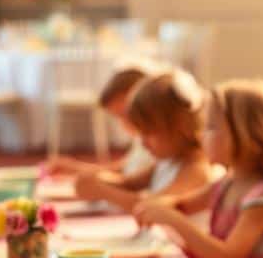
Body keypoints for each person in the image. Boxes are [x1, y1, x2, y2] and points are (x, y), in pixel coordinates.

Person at [134, 80, 263, 258]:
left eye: (211, 127)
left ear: (247, 136)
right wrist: (159, 204)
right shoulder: (227, 183)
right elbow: (182, 205)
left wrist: (172, 218)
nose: (201, 136)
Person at [73, 70, 213, 212]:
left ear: (180, 128)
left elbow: (152, 206)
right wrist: (98, 179)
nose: (143, 143)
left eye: (148, 133)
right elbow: (128, 183)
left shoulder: (196, 171)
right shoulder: (167, 161)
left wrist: (104, 191)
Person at [43, 66, 152, 178]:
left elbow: (134, 180)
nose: (124, 123)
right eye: (118, 117)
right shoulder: (141, 138)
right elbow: (125, 166)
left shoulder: (155, 143)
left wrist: (100, 183)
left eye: (124, 114)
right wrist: (75, 168)